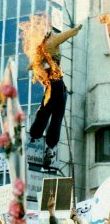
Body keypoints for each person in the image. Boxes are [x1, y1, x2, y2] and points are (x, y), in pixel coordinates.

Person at [29, 24, 83, 164]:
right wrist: (75, 30)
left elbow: (31, 66)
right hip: (58, 85)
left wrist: (35, 63)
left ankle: (35, 134)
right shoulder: (52, 41)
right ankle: (50, 145)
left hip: (51, 87)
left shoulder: (40, 51)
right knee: (56, 117)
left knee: (45, 111)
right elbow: (66, 35)